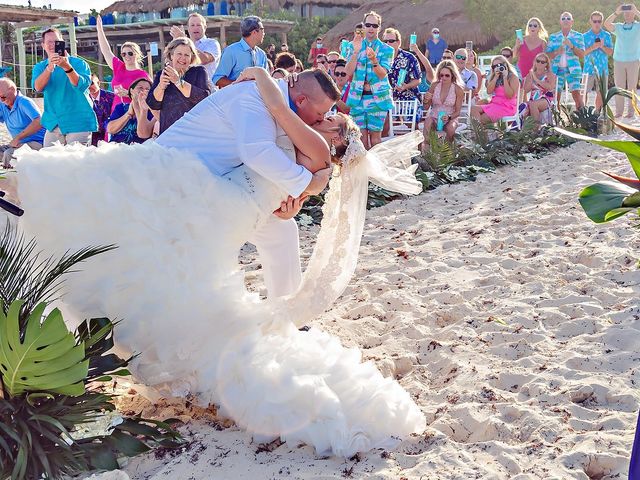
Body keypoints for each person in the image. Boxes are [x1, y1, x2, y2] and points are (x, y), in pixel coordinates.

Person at [13, 66, 426, 459]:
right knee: (145, 250)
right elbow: (262, 146)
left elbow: (278, 145)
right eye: (324, 112)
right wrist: (269, 90)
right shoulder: (261, 102)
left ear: (337, 138)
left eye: (330, 118)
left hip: (214, 199)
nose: (328, 117)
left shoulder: (305, 133)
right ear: (301, 98)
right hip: (196, 187)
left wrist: (310, 183)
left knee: (183, 269)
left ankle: (248, 331)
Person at [32, 28, 97, 147]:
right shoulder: (40, 67)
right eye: (49, 42)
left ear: (62, 42)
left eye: (56, 41)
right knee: (49, 161)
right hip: (53, 122)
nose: (52, 45)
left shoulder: (79, 64)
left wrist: (67, 67)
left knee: (76, 163)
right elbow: (38, 87)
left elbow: (81, 85)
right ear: (43, 45)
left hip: (78, 121)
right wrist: (49, 68)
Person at [344, 11, 394, 149]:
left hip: (377, 99)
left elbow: (382, 74)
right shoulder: (353, 45)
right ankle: (365, 169)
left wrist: (373, 60)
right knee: (360, 139)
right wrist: (355, 52)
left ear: (379, 28)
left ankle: (377, 169)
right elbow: (348, 72)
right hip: (357, 99)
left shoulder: (387, 49)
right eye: (368, 25)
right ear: (363, 26)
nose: (371, 28)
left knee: (376, 139)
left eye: (374, 25)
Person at [147, 37, 212, 135]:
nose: (183, 58)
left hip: (193, 132)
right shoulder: (162, 74)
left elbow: (203, 98)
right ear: (171, 55)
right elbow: (152, 104)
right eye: (179, 54)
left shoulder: (199, 72)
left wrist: (178, 82)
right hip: (168, 132)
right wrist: (161, 86)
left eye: (187, 55)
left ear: (191, 58)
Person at [96, 15, 150, 113]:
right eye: (123, 54)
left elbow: (150, 96)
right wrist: (100, 29)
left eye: (130, 53)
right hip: (116, 112)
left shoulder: (143, 75)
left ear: (137, 55)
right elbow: (106, 51)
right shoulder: (119, 67)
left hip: (133, 113)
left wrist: (128, 94)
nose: (127, 56)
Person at [605, 4, 640, 118]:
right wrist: (616, 12)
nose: (628, 14)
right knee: (619, 87)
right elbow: (606, 24)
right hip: (619, 60)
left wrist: (636, 11)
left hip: (633, 61)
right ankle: (619, 112)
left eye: (630, 12)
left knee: (632, 87)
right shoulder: (619, 27)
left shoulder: (638, 26)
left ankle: (631, 112)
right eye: (626, 12)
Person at [0, 78, 44, 168]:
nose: (1, 100)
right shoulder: (3, 103)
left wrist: (18, 137)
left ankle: (12, 179)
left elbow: (39, 121)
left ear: (12, 90)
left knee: (9, 154)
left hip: (38, 142)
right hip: (17, 144)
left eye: (3, 97)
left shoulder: (24, 102)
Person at [213, 16, 267, 88]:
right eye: (262, 30)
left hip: (257, 98)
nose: (264, 33)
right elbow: (217, 79)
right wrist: (240, 86)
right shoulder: (231, 51)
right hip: (235, 98)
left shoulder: (262, 54)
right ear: (254, 32)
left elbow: (265, 80)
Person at [546, 12, 585, 108]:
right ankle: (557, 121)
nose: (566, 20)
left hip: (573, 71)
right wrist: (556, 52)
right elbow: (547, 55)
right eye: (563, 18)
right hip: (556, 71)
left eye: (568, 18)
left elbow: (582, 54)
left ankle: (583, 120)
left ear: (572, 21)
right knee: (555, 98)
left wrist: (571, 46)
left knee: (577, 96)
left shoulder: (578, 36)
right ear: (560, 22)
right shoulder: (553, 37)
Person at [170, 13, 221, 82]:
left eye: (199, 25)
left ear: (205, 27)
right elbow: (170, 65)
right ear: (188, 28)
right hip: (186, 88)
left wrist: (185, 39)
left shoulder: (212, 43)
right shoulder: (181, 45)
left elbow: (204, 60)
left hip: (208, 89)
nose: (195, 28)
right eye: (192, 25)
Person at [422, 60, 464, 145]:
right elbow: (426, 107)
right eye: (441, 75)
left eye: (447, 75)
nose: (443, 77)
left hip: (450, 118)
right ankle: (428, 150)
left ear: (452, 75)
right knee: (428, 121)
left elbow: (458, 112)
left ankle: (446, 152)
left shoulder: (458, 89)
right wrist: (426, 99)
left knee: (450, 128)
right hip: (434, 116)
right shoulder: (434, 86)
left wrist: (449, 117)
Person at [471, 55, 519, 124]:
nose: (497, 68)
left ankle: (478, 133)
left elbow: (510, 96)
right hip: (494, 104)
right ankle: (479, 133)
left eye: (499, 65)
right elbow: (489, 91)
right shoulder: (495, 76)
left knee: (481, 119)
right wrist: (495, 77)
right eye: (494, 66)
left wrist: (505, 78)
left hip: (507, 107)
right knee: (473, 110)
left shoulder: (513, 77)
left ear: (505, 64)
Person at [107, 78, 156, 144]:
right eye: (140, 88)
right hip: (117, 147)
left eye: (147, 89)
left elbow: (144, 134)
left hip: (140, 148)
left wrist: (137, 108)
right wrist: (128, 114)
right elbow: (110, 129)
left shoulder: (153, 111)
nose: (143, 91)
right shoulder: (121, 107)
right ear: (131, 91)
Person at [584, 11, 614, 111]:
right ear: (590, 21)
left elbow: (610, 52)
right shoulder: (584, 36)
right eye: (595, 21)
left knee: (601, 93)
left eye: (599, 21)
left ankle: (597, 115)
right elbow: (581, 53)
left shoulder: (607, 35)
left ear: (602, 22)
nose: (597, 23)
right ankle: (582, 114)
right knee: (584, 92)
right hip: (588, 69)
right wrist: (593, 47)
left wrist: (602, 46)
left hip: (602, 69)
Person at [382, 28, 421, 101]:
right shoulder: (379, 58)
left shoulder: (409, 58)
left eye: (391, 41)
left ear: (398, 42)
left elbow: (417, 80)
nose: (387, 44)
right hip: (386, 101)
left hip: (408, 100)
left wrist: (406, 86)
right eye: (385, 41)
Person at [520, 53, 556, 126]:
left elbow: (550, 87)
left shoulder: (549, 74)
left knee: (533, 105)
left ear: (546, 64)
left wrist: (536, 79)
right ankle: (520, 130)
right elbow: (526, 90)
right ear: (535, 62)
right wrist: (531, 78)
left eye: (542, 62)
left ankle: (535, 130)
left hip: (546, 98)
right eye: (538, 61)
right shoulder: (530, 74)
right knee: (523, 107)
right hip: (533, 99)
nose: (539, 63)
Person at [88, 74, 115, 146]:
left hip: (109, 136)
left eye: (91, 83)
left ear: (98, 83)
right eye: (86, 84)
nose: (89, 87)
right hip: (91, 138)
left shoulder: (112, 97)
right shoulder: (84, 100)